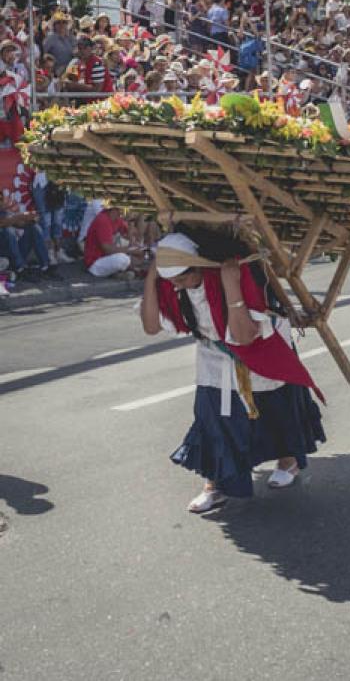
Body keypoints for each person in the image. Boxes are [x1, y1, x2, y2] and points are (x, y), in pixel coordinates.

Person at [141, 229, 326, 513]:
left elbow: (244, 335)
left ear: (201, 265)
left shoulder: (234, 275)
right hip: (215, 355)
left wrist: (232, 287)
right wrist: (152, 277)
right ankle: (215, 485)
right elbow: (151, 326)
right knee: (211, 416)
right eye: (170, 280)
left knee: (276, 407)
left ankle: (288, 459)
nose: (176, 286)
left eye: (181, 278)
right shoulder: (171, 283)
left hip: (259, 347)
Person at [84, 205, 143, 277]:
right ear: (113, 210)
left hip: (107, 257)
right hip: (95, 263)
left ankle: (119, 273)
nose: (123, 212)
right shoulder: (103, 220)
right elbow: (107, 249)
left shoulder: (116, 219)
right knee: (123, 259)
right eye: (121, 210)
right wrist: (130, 250)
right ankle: (123, 271)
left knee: (135, 257)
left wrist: (131, 230)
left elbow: (131, 233)